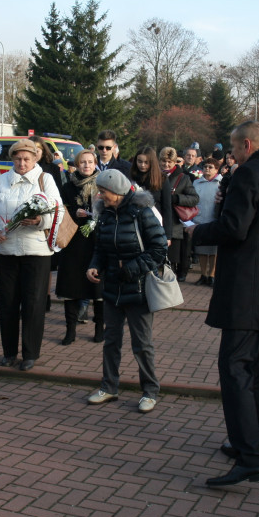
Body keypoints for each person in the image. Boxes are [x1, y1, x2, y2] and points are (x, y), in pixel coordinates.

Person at [188, 120, 259, 487]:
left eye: (234, 150)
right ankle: (249, 440)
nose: (230, 156)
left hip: (247, 291)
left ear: (247, 145)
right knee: (257, 373)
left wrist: (197, 231)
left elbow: (234, 229)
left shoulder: (249, 175)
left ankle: (251, 456)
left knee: (235, 370)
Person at [85, 168, 167, 414]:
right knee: (111, 340)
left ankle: (150, 391)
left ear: (117, 192)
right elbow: (100, 247)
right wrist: (94, 266)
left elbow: (159, 249)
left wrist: (130, 269)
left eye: (103, 191)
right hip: (112, 286)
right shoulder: (106, 215)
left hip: (139, 288)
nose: (99, 196)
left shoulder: (142, 212)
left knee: (142, 343)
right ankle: (109, 386)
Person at [0, 138, 61, 371]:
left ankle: (30, 353)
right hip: (6, 250)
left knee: (33, 303)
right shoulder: (3, 180)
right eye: (17, 158)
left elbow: (58, 210)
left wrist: (39, 220)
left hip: (36, 251)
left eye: (27, 158)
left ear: (35, 158)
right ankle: (8, 352)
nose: (22, 163)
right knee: (7, 303)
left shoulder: (44, 179)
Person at [56, 150, 103, 345]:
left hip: (97, 242)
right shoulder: (68, 186)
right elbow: (60, 209)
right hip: (74, 241)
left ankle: (100, 329)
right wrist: (75, 212)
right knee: (72, 286)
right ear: (76, 164)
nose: (86, 165)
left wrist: (96, 215)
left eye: (90, 162)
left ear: (95, 164)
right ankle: (70, 330)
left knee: (99, 288)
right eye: (82, 162)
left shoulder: (103, 183)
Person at [160, 147, 199, 281]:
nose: (166, 165)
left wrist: (177, 198)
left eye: (169, 162)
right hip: (156, 220)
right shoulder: (155, 175)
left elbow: (194, 198)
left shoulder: (183, 178)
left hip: (174, 223)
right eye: (164, 161)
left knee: (171, 260)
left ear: (175, 162)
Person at [193, 158, 221, 285]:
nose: (207, 169)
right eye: (205, 167)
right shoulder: (196, 183)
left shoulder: (220, 183)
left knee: (214, 251)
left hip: (214, 220)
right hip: (200, 220)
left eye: (210, 167)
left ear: (216, 169)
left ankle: (212, 275)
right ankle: (203, 274)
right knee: (202, 250)